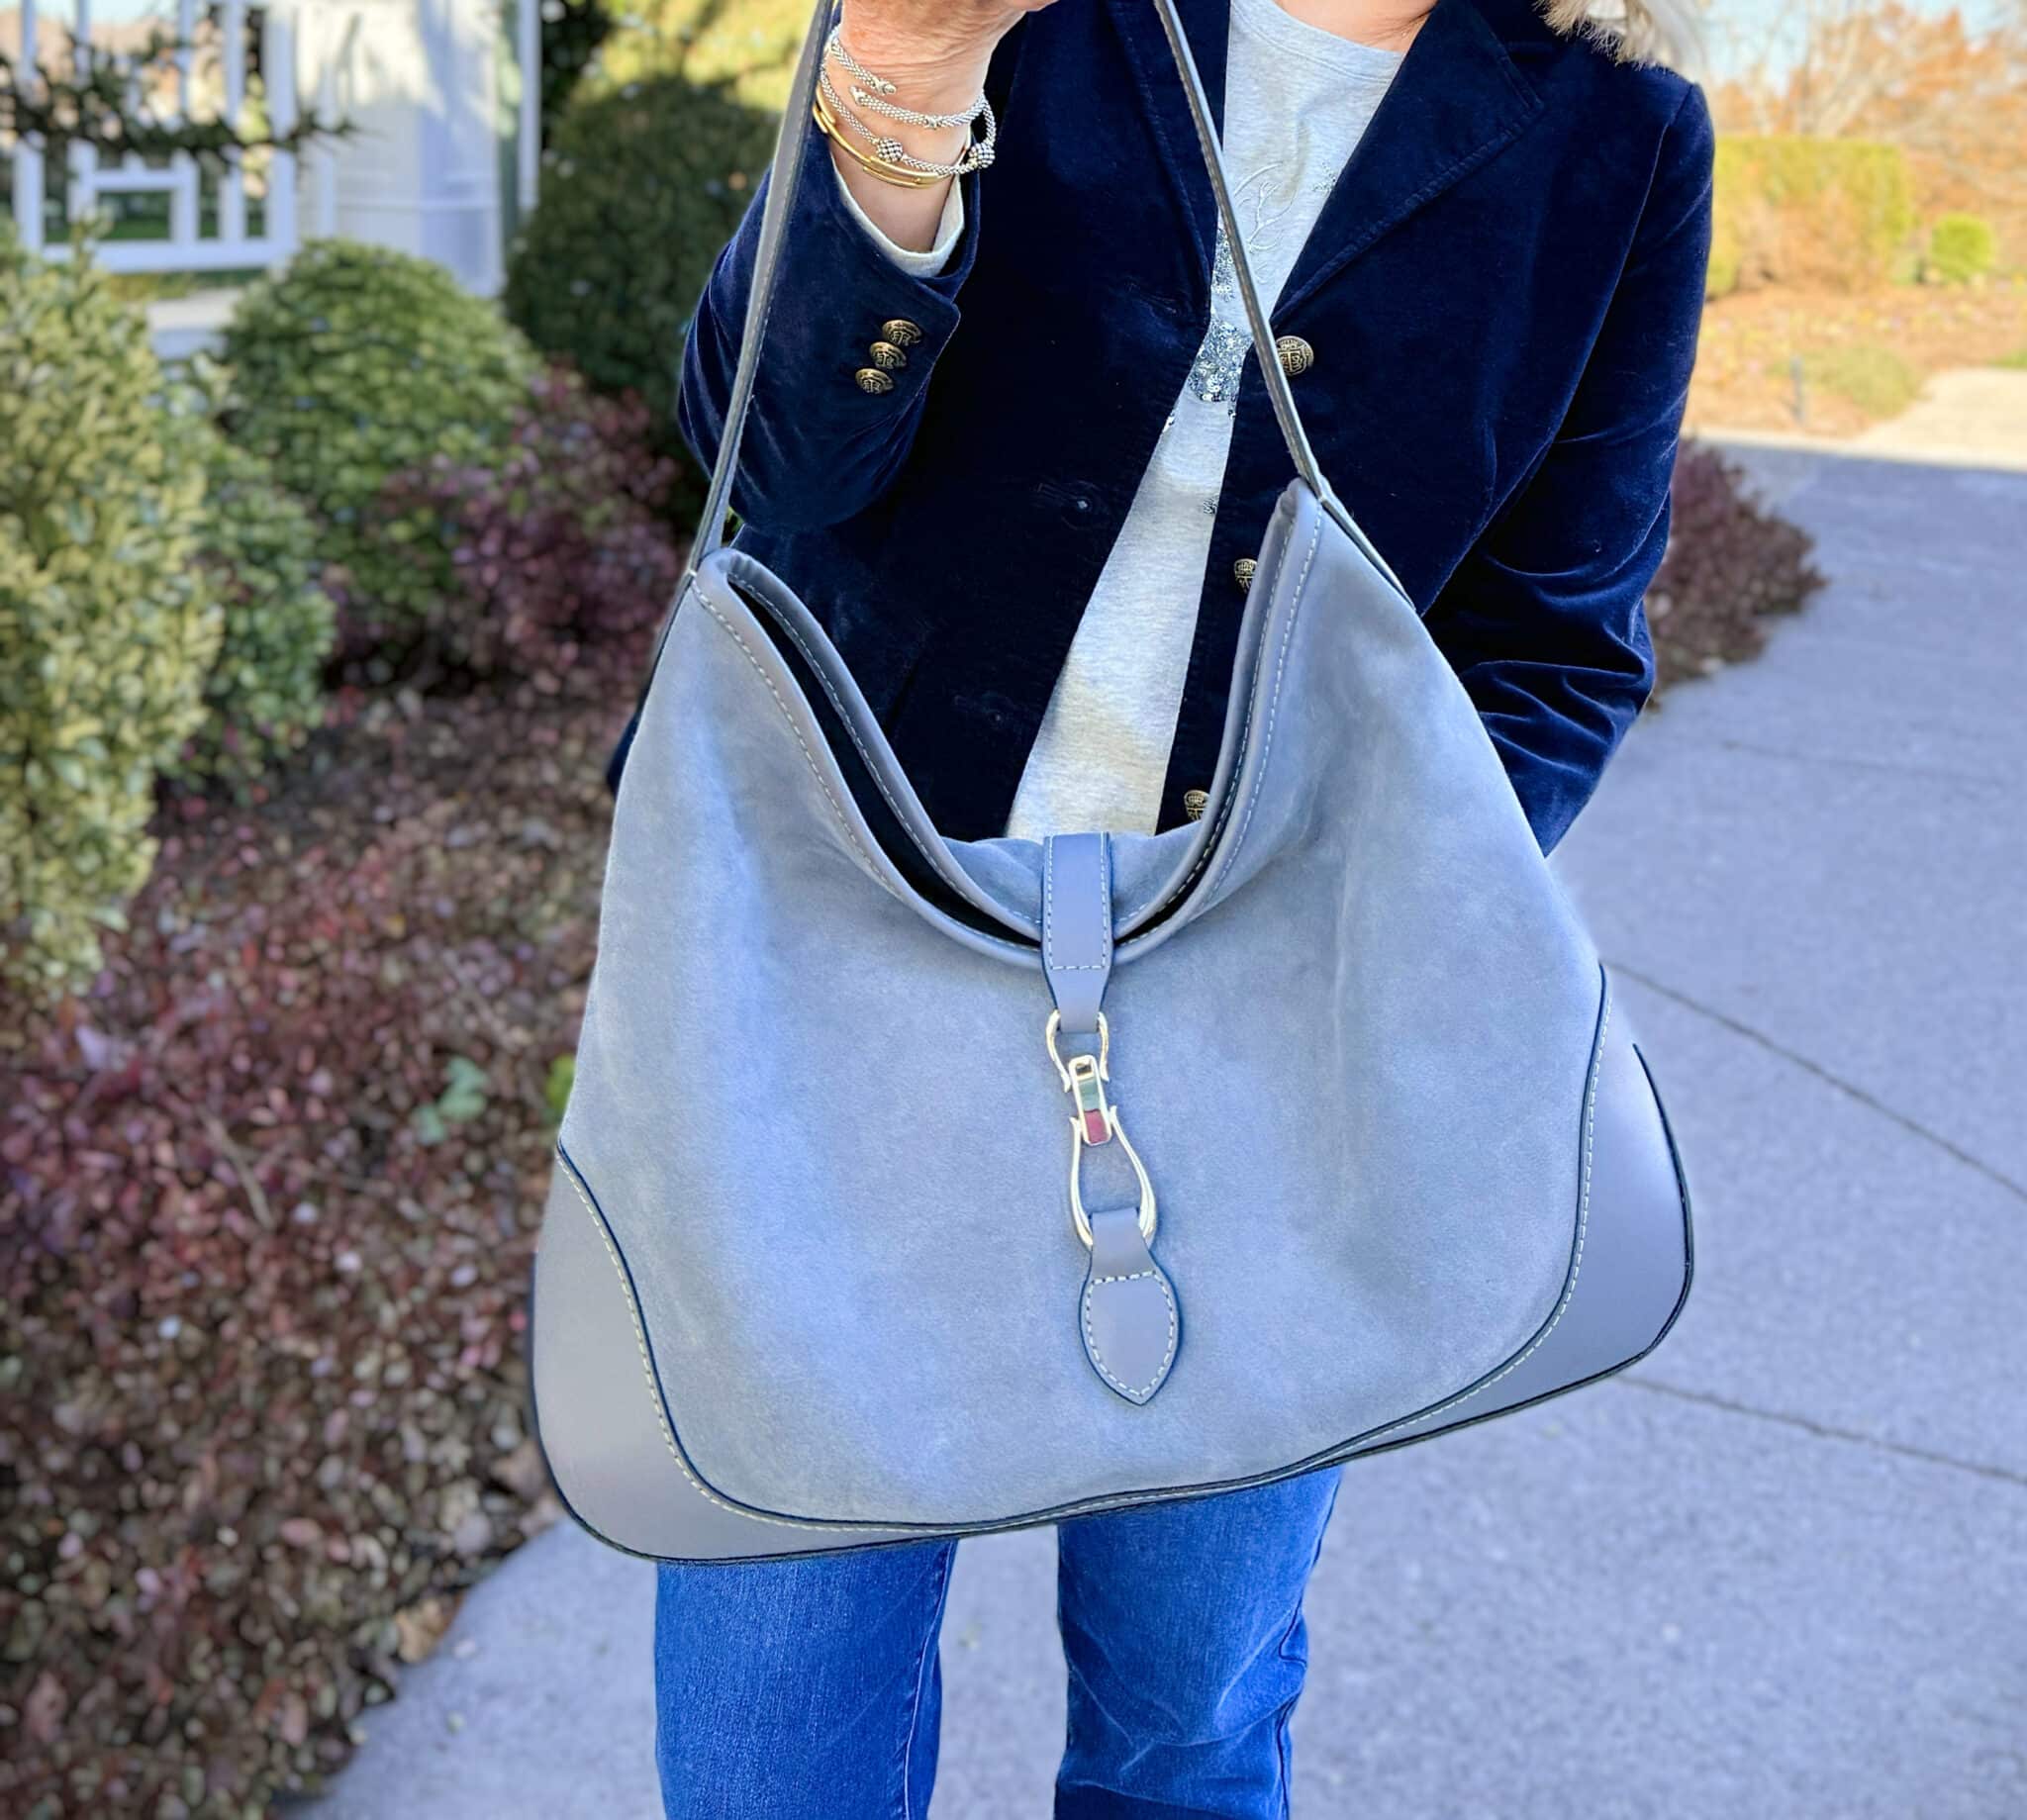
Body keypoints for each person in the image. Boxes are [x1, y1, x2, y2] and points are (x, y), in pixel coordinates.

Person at [650, 0, 1712, 1806]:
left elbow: (1554, 646)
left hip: (1275, 1063)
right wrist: (903, 83)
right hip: (836, 983)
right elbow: (767, 458)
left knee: (1188, 1719)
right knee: (772, 1734)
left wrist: (1356, 927)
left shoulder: (1617, 130)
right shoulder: (999, 17)